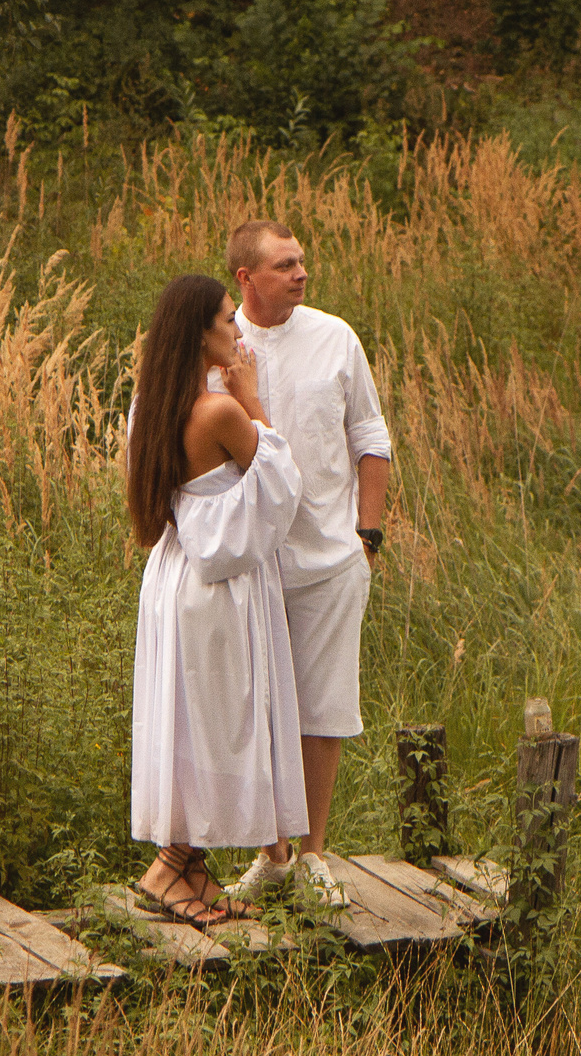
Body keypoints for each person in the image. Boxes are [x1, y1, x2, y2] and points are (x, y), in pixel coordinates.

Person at [127, 273, 310, 928]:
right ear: (199, 332)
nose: (238, 332)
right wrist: (254, 397)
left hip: (172, 575)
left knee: (186, 716)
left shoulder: (150, 402)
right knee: (218, 721)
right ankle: (168, 865)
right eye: (229, 321)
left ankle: (194, 875)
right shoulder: (221, 412)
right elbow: (282, 481)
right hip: (218, 589)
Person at [219, 220, 391, 909]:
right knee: (259, 705)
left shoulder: (334, 336)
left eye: (302, 262)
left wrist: (367, 537)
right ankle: (272, 854)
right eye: (285, 265)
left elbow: (369, 436)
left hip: (331, 556)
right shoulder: (220, 343)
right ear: (245, 277)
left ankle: (314, 852)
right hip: (252, 560)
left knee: (323, 706)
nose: (301, 273)